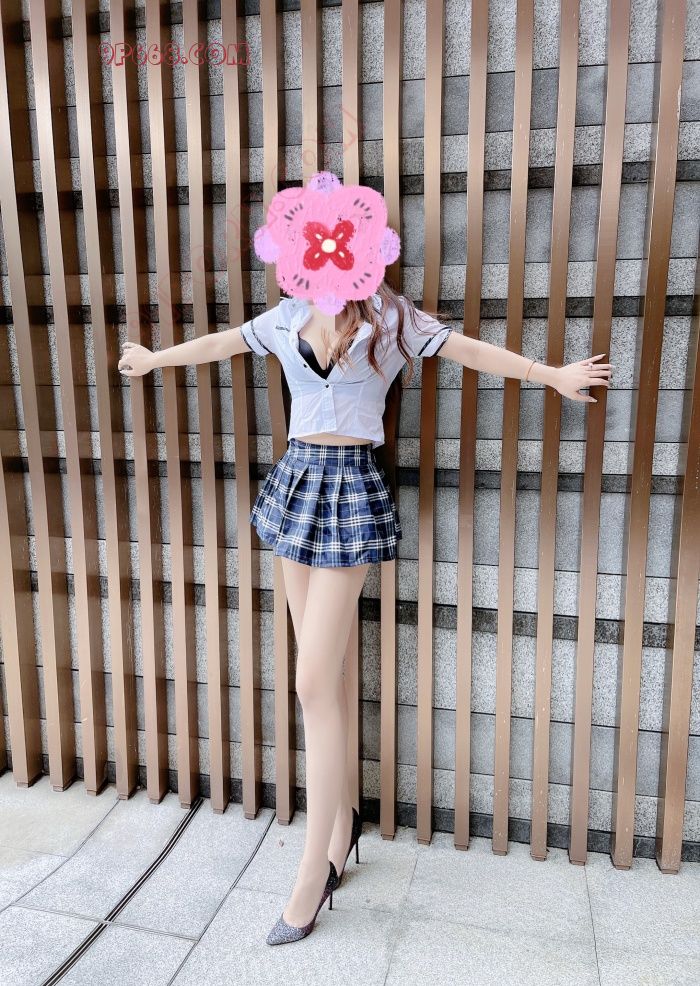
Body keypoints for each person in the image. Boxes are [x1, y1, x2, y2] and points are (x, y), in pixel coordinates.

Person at [118, 173, 613, 945]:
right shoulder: (287, 316)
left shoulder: (390, 317)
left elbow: (466, 348)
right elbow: (223, 343)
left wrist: (549, 375)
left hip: (349, 488)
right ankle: (343, 826)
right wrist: (155, 360)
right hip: (296, 484)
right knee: (327, 679)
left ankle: (311, 873)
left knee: (312, 680)